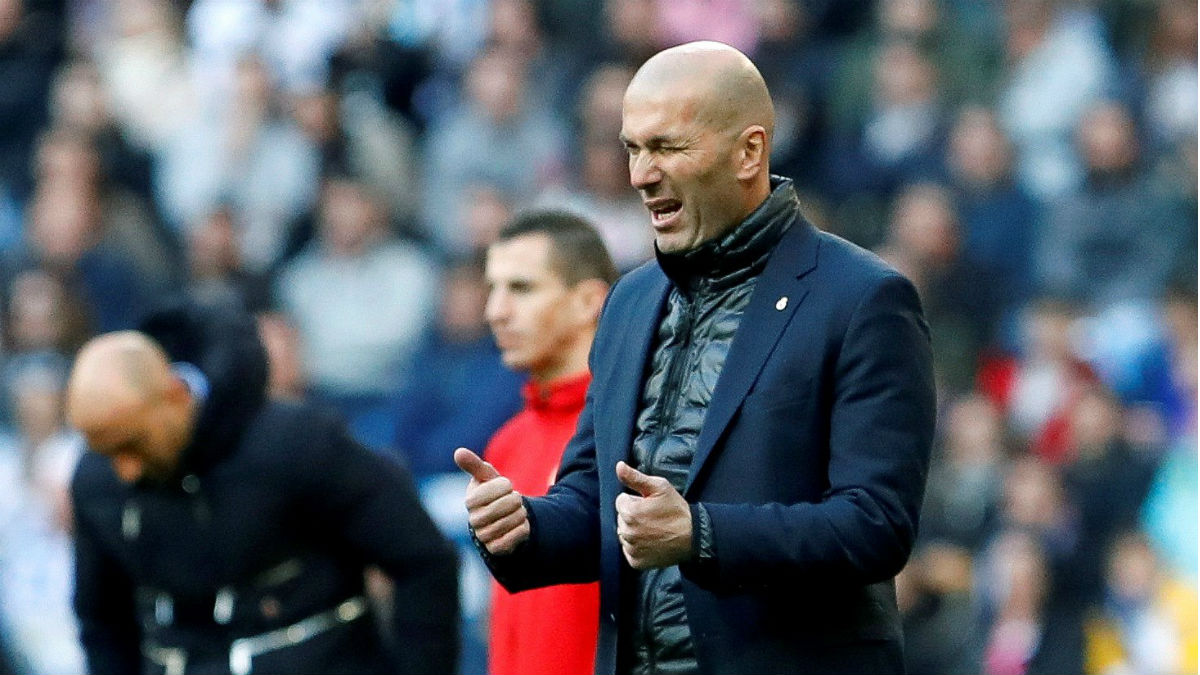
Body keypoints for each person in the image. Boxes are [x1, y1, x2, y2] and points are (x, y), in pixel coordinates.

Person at [455, 41, 936, 674]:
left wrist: (700, 535)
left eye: (667, 147)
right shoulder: (630, 301)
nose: (639, 175)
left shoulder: (862, 299)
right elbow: (592, 499)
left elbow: (876, 525)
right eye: (632, 148)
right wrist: (524, 526)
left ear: (750, 152)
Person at [66, 296, 459, 675]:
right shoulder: (98, 482)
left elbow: (422, 560)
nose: (126, 470)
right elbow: (102, 619)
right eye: (105, 450)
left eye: (131, 444)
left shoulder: (295, 444)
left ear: (175, 395)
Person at [481, 211, 618, 675]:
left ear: (588, 301)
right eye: (492, 289)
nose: (495, 310)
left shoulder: (632, 431)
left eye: (521, 288)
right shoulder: (506, 442)